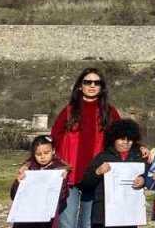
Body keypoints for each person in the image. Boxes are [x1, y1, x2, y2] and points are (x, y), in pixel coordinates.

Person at [49, 68, 122, 228]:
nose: (92, 85)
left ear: (102, 87)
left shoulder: (109, 112)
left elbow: (122, 137)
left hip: (97, 174)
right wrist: (31, 163)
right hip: (70, 174)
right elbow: (53, 139)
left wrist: (140, 147)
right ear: (80, 86)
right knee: (67, 223)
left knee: (88, 224)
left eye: (97, 82)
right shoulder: (68, 111)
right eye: (87, 82)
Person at [78, 119, 147, 228]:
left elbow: (148, 176)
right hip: (104, 214)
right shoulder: (102, 157)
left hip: (129, 214)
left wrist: (143, 180)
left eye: (129, 140)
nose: (125, 143)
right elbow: (85, 183)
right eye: (121, 139)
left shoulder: (139, 157)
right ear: (113, 139)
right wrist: (97, 172)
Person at [11, 135, 69, 228]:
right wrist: (18, 182)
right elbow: (14, 196)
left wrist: (63, 181)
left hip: (47, 219)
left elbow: (62, 197)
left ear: (53, 151)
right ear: (33, 154)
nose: (43, 157)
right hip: (26, 218)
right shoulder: (28, 169)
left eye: (46, 153)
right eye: (38, 154)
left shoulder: (59, 170)